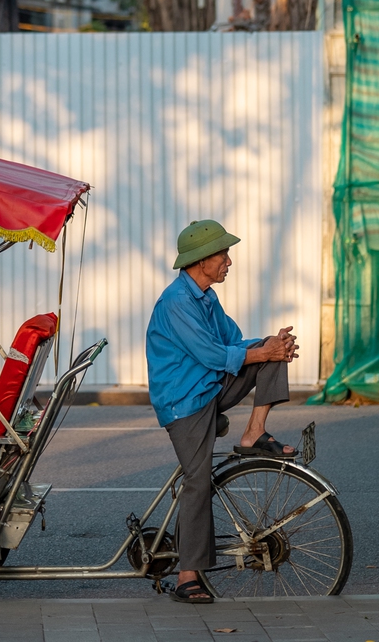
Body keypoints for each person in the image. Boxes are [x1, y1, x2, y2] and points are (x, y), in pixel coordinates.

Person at [146, 219, 299, 604]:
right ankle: (185, 576)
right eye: (223, 254)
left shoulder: (207, 297)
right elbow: (213, 355)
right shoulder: (177, 301)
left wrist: (272, 347)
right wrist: (261, 351)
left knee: (268, 347)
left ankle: (254, 432)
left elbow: (234, 342)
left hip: (209, 388)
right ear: (201, 260)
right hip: (186, 402)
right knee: (197, 482)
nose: (228, 262)